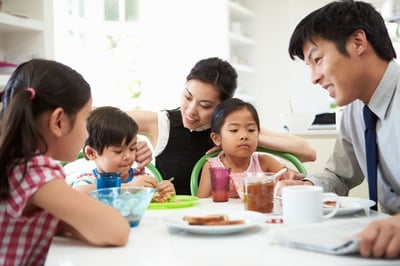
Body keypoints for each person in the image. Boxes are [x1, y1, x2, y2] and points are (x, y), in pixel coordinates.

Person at [286, 0, 400, 258]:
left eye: (317, 59)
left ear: (358, 42)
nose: (313, 77)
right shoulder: (354, 111)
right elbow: (340, 175)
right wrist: (304, 185)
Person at [0, 59, 130, 265]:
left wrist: (61, 223)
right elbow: (117, 230)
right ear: (58, 121)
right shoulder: (32, 170)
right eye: (86, 119)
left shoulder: (14, 162)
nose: (87, 131)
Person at [128, 57, 316, 195]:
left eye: (205, 105)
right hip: (173, 215)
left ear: (222, 106)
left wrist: (247, 138)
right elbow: (101, 120)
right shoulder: (162, 123)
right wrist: (131, 141)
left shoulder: (231, 127)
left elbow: (308, 152)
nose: (191, 111)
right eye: (187, 97)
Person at [197, 98, 304, 198]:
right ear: (217, 138)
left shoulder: (265, 162)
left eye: (251, 130)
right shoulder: (212, 167)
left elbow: (299, 179)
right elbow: (201, 204)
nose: (244, 136)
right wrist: (225, 195)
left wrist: (290, 178)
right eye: (234, 130)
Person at [72, 106, 175, 198]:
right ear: (91, 153)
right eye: (118, 151)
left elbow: (154, 199)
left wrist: (163, 191)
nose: (128, 156)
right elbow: (77, 193)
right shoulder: (88, 180)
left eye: (132, 149)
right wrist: (128, 187)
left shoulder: (140, 178)